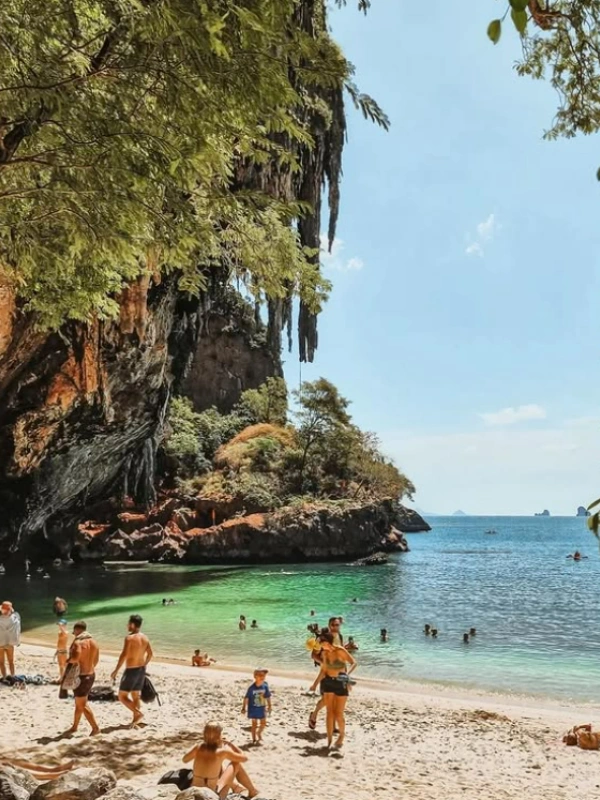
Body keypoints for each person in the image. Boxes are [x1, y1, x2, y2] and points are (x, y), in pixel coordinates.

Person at [182, 722, 259, 799]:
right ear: (219, 735)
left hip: (195, 790)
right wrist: (230, 745)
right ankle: (252, 791)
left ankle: (236, 787)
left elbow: (185, 760)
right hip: (212, 795)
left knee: (219, 765)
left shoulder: (198, 748)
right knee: (236, 764)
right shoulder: (222, 752)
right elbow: (244, 758)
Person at [312, 629, 356, 750]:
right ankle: (330, 739)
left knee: (338, 714)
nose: (320, 646)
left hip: (341, 683)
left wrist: (347, 676)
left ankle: (341, 735)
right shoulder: (325, 654)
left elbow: (353, 663)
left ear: (328, 642)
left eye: (322, 643)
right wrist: (314, 685)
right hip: (328, 683)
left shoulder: (340, 651)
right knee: (329, 713)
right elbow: (323, 671)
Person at [111, 614, 153, 728]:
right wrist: (144, 665)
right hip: (141, 670)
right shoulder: (145, 638)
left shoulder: (129, 638)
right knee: (135, 695)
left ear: (133, 625)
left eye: (129, 623)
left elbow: (123, 655)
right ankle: (136, 720)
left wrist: (115, 670)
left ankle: (137, 713)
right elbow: (150, 654)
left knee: (122, 696)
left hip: (131, 670)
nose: (127, 625)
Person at [62, 620, 100, 736]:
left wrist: (67, 661)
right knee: (80, 702)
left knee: (82, 704)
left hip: (81, 677)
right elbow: (96, 660)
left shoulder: (78, 642)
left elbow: (75, 658)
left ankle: (95, 728)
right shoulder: (93, 642)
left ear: (78, 630)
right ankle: (74, 727)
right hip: (91, 674)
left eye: (74, 632)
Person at [308, 618, 344, 729]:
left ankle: (332, 726)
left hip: (338, 672)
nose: (335, 627)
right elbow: (314, 655)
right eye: (333, 625)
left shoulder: (340, 637)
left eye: (337, 625)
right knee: (327, 699)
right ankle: (314, 715)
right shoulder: (322, 639)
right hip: (326, 673)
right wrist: (325, 663)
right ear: (329, 625)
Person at [242, 668, 272, 745]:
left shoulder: (265, 685)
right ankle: (254, 739)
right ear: (255, 676)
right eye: (261, 675)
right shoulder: (251, 688)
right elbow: (246, 698)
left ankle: (259, 733)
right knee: (254, 725)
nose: (263, 677)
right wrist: (243, 708)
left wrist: (269, 705)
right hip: (253, 709)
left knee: (263, 723)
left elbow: (268, 696)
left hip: (262, 708)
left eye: (264, 676)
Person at [0, 600, 20, 678]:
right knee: (11, 661)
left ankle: (4, 676)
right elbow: (17, 615)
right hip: (10, 644)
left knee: (1, 662)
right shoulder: (15, 619)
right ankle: (12, 676)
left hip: (0, 644)